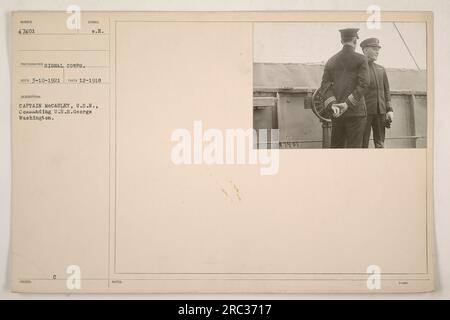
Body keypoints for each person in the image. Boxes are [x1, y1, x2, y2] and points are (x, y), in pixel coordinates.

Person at [320, 28, 370, 148]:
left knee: (337, 147)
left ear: (341, 41)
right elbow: (364, 84)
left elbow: (325, 86)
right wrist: (347, 104)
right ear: (355, 40)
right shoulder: (362, 59)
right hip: (356, 113)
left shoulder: (331, 61)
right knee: (354, 149)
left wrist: (333, 104)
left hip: (337, 113)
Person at [360, 38, 394, 148]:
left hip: (381, 112)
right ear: (365, 50)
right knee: (362, 144)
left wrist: (389, 110)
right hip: (364, 113)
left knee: (380, 144)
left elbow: (386, 91)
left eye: (378, 49)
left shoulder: (381, 69)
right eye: (374, 49)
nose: (377, 51)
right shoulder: (359, 68)